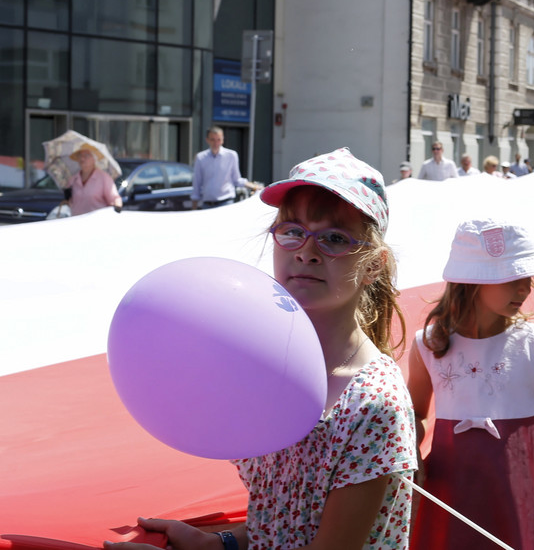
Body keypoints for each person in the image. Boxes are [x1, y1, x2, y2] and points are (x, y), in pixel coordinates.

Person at [106, 148, 416, 550]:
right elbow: (283, 522)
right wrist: (217, 544)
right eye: (292, 231)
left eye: (334, 238)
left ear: (374, 264)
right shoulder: (264, 370)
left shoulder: (373, 403)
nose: (306, 250)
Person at [408, 219, 534, 548]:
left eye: (527, 278)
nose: (525, 289)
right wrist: (412, 449)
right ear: (473, 280)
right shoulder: (429, 344)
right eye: (513, 279)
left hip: (519, 493)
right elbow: (415, 413)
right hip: (450, 493)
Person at [191, 127, 258, 209]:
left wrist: (254, 186)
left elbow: (237, 179)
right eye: (212, 139)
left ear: (223, 140)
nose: (216, 143)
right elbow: (197, 183)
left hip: (226, 202)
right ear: (207, 140)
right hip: (207, 205)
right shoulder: (200, 158)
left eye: (218, 139)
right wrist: (194, 207)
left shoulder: (231, 155)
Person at [66, 143, 122, 215]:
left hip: (97, 222)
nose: (82, 158)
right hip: (76, 221)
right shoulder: (73, 179)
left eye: (86, 155)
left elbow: (115, 198)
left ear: (94, 159)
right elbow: (70, 201)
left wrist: (117, 207)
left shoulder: (104, 178)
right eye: (80, 155)